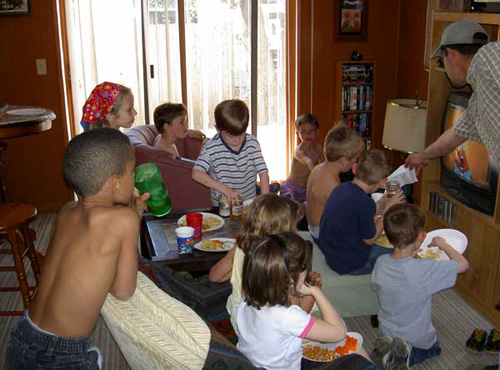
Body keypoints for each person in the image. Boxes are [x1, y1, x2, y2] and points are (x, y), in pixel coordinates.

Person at [6, 129, 149, 369]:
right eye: (131, 172)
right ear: (115, 184)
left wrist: (131, 214)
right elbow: (123, 290)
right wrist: (133, 218)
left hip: (22, 334)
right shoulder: (124, 220)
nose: (134, 177)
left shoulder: (66, 211)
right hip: (60, 356)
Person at [371, 204, 469, 369]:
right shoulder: (425, 269)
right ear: (422, 236)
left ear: (388, 236)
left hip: (386, 329)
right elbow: (463, 265)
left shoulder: (381, 263)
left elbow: (378, 285)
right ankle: (402, 355)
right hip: (416, 337)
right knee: (433, 348)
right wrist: (443, 244)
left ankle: (388, 346)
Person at [235, 232, 347, 370]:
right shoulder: (288, 316)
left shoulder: (249, 297)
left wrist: (306, 295)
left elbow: (293, 320)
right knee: (352, 354)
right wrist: (316, 292)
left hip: (249, 362)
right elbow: (338, 333)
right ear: (292, 279)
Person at [208, 194, 321, 327]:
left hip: (240, 318)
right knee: (318, 303)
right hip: (271, 328)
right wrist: (314, 292)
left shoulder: (240, 248)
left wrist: (236, 269)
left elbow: (214, 277)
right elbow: (297, 315)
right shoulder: (285, 259)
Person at [406, 19, 499, 172]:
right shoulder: (478, 101)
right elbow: (457, 133)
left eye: (442, 61)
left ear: (450, 53)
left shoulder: (488, 55)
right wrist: (423, 155)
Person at [319, 149, 404, 275]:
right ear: (383, 182)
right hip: (351, 264)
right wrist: (387, 210)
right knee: (400, 251)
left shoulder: (341, 188)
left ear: (354, 169)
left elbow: (357, 212)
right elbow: (370, 240)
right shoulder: (365, 202)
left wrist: (381, 203)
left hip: (331, 255)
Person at [192, 99, 269, 205]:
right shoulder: (211, 147)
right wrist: (227, 191)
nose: (237, 140)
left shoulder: (252, 143)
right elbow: (196, 173)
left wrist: (264, 201)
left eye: (241, 134)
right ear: (218, 129)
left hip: (248, 202)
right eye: (231, 136)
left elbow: (263, 172)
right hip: (223, 204)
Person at [306, 125, 365, 244]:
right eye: (355, 159)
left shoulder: (317, 168)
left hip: (312, 227)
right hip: (321, 235)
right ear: (343, 161)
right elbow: (345, 219)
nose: (355, 162)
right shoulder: (333, 187)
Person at [280, 114, 323, 202]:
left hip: (306, 188)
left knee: (312, 203)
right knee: (289, 204)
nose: (307, 135)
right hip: (292, 186)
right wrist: (319, 179)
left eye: (311, 131)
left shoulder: (319, 148)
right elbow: (309, 163)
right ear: (297, 133)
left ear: (317, 132)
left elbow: (324, 163)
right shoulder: (299, 151)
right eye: (303, 132)